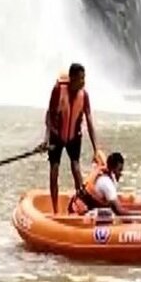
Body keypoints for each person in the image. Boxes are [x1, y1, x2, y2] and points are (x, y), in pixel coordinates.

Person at [42, 63, 98, 214]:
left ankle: (81, 207)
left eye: (84, 78)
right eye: (80, 78)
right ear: (72, 78)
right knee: (54, 170)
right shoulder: (58, 90)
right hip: (56, 134)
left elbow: (90, 122)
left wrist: (96, 149)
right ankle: (55, 211)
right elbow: (49, 115)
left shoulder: (84, 95)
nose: (83, 82)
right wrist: (46, 139)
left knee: (76, 167)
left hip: (74, 135)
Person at [68, 152, 132, 216]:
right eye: (119, 170)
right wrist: (136, 216)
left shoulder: (103, 176)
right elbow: (118, 211)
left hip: (79, 208)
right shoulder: (107, 183)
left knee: (108, 211)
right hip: (79, 213)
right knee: (108, 213)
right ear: (112, 170)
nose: (121, 174)